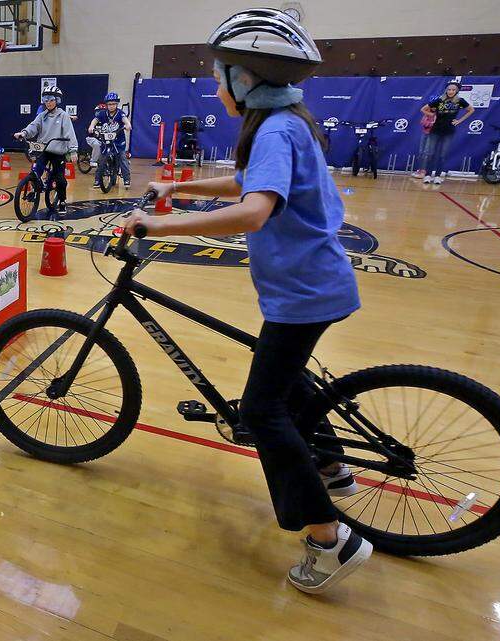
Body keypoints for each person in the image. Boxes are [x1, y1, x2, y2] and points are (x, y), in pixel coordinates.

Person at [125, 8, 371, 594]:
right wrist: (178, 184)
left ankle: (327, 539)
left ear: (248, 76)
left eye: (221, 76)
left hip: (304, 292)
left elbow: (255, 209)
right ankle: (332, 469)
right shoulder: (287, 122)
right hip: (310, 286)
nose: (216, 87)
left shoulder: (278, 127)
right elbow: (248, 181)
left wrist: (158, 226)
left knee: (262, 412)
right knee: (288, 382)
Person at [14, 86, 78, 216]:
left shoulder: (63, 115)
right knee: (36, 170)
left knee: (60, 178)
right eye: (45, 100)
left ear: (57, 100)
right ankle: (35, 189)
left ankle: (62, 201)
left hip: (58, 151)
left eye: (51, 100)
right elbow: (33, 126)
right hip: (44, 149)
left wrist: (73, 150)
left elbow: (70, 133)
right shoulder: (42, 116)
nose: (48, 102)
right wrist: (23, 133)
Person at [419, 82, 474, 185]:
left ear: (456, 91)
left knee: (442, 155)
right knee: (430, 153)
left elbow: (471, 110)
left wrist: (459, 121)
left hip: (449, 131)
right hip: (435, 130)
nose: (451, 91)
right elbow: (423, 109)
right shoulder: (439, 100)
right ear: (446, 90)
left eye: (453, 90)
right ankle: (428, 175)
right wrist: (433, 115)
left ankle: (438, 176)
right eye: (449, 89)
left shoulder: (459, 101)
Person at [87, 91, 132, 189]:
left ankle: (126, 179)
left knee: (122, 159)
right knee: (102, 159)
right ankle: (98, 180)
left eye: (114, 104)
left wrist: (128, 125)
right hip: (106, 141)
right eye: (109, 104)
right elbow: (95, 119)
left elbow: (125, 121)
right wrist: (91, 126)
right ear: (106, 105)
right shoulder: (103, 113)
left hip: (118, 141)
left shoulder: (120, 113)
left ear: (117, 104)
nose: (111, 106)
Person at [411, 109, 437, 179]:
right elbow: (422, 122)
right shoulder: (427, 114)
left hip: (432, 135)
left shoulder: (437, 115)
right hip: (424, 133)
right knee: (421, 152)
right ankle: (419, 170)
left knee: (426, 152)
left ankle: (424, 171)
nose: (433, 108)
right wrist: (429, 124)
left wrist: (429, 124)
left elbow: (434, 125)